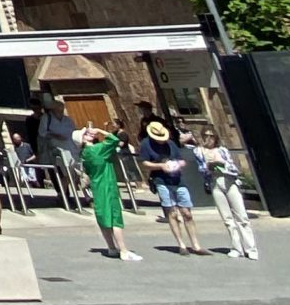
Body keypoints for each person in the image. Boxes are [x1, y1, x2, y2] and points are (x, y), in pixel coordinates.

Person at [137, 117, 208, 254]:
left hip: (177, 179)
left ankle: (196, 244)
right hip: (161, 180)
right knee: (172, 212)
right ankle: (181, 244)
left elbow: (181, 160)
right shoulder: (146, 144)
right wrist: (161, 166)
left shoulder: (170, 144)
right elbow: (144, 163)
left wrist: (178, 164)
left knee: (187, 212)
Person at [192, 126, 259, 260]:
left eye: (211, 136)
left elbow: (233, 168)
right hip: (215, 182)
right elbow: (201, 169)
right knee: (227, 219)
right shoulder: (198, 151)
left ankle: (251, 248)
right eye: (206, 135)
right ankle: (237, 248)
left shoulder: (222, 150)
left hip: (229, 180)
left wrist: (221, 163)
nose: (208, 138)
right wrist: (207, 163)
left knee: (241, 216)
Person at [78, 122, 139, 261]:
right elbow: (114, 140)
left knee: (103, 217)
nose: (90, 133)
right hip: (108, 184)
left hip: (97, 185)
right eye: (86, 134)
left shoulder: (85, 154)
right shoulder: (98, 149)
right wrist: (100, 130)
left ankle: (111, 247)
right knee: (115, 217)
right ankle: (123, 250)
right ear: (83, 139)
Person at [36, 94, 81, 205]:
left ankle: (70, 195)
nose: (61, 110)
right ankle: (63, 195)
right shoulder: (47, 118)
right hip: (55, 150)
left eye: (62, 108)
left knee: (73, 173)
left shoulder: (68, 120)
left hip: (70, 149)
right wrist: (55, 135)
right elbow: (42, 132)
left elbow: (74, 133)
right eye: (59, 108)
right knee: (62, 174)